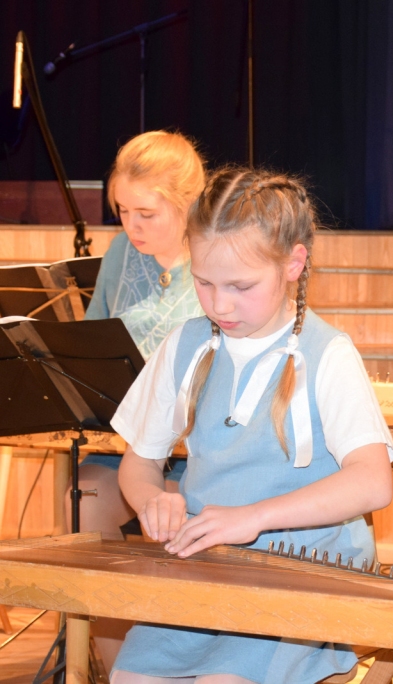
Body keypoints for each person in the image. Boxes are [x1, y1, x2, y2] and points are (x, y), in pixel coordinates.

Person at [109, 167, 393, 684]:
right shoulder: (185, 344)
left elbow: (373, 481)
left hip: (302, 570)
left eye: (241, 286)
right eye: (204, 282)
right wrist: (154, 499)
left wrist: (255, 517)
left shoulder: (328, 353)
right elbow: (139, 466)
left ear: (293, 263)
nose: (220, 304)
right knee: (131, 678)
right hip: (209, 567)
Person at [72, 131, 205, 670]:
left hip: (197, 453)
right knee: (82, 497)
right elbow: (90, 345)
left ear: (185, 204)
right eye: (123, 211)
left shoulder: (218, 254)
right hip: (130, 447)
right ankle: (119, 665)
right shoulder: (121, 253)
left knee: (189, 518)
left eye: (146, 213)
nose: (132, 226)